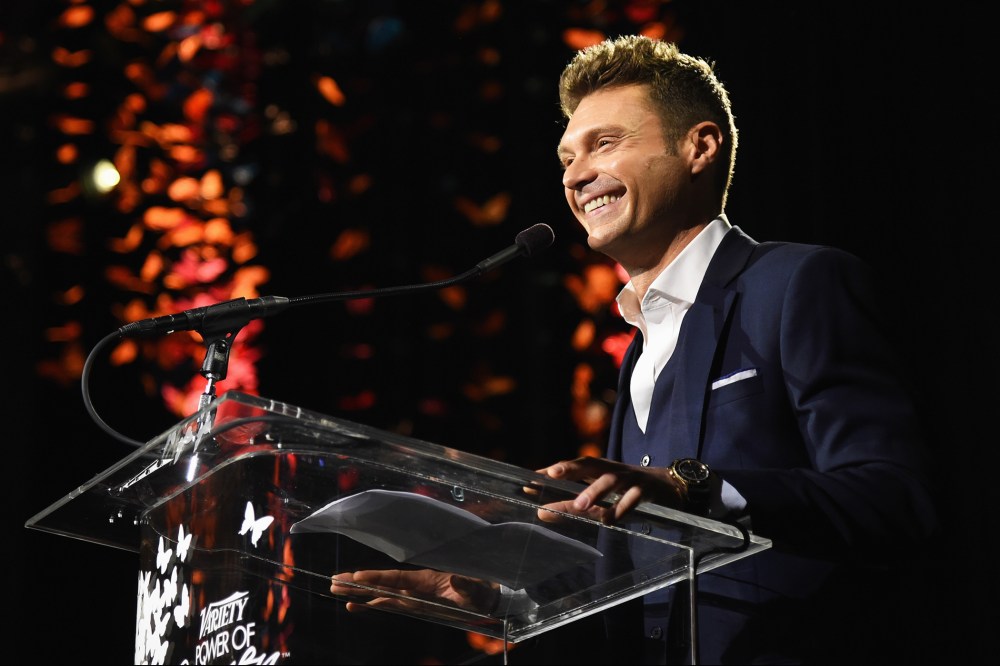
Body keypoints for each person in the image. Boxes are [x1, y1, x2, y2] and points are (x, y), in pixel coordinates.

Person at [332, 35, 940, 664]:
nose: (574, 175)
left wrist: (693, 488)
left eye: (605, 143)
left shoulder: (797, 285)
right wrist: (508, 601)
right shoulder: (635, 355)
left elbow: (893, 498)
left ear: (699, 146)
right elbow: (644, 581)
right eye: (567, 156)